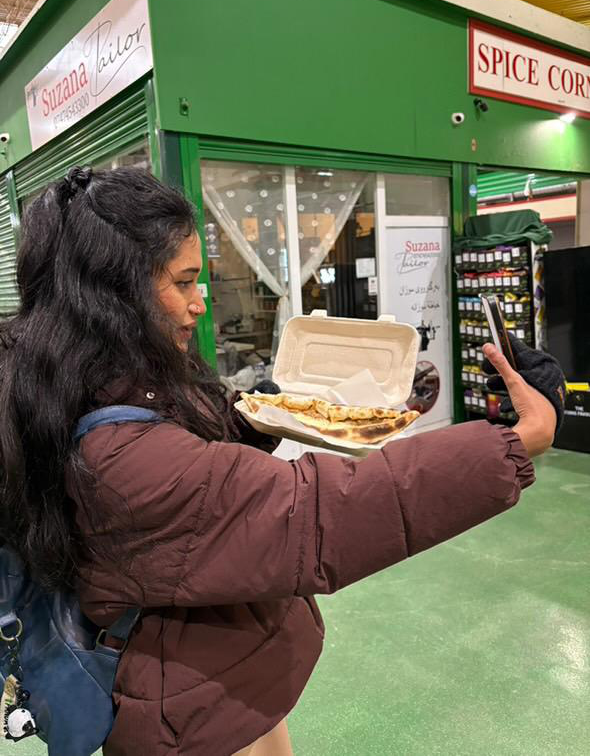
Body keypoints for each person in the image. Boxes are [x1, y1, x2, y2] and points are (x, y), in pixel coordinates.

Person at [0, 167, 558, 756]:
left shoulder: (77, 381)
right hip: (189, 714)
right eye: (183, 282)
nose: (198, 304)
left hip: (215, 678)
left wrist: (264, 415)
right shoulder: (117, 459)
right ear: (114, 293)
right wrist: (515, 441)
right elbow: (313, 512)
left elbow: (192, 459)